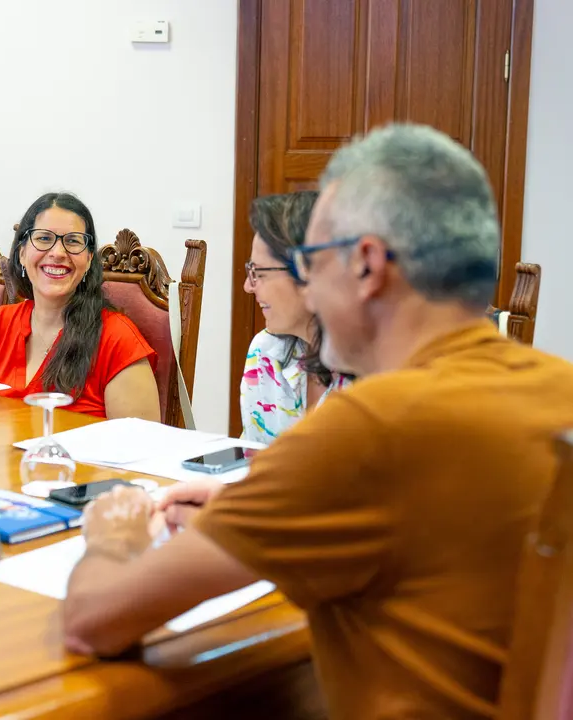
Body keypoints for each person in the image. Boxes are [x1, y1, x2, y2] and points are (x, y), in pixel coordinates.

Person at [61, 123, 573, 719]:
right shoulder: (556, 388)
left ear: (366, 266)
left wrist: (114, 537)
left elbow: (92, 621)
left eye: (310, 261)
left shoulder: (366, 428)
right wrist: (257, 503)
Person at [0, 193, 160, 421]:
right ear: (22, 253)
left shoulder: (117, 340)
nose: (57, 253)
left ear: (89, 259)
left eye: (73, 241)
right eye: (44, 238)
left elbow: (142, 449)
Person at [241, 191, 351, 443]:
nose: (248, 286)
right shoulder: (266, 354)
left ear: (307, 271)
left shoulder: (378, 371)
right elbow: (255, 461)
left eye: (259, 272)